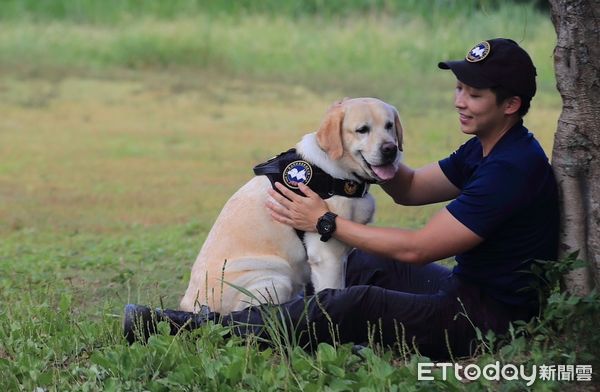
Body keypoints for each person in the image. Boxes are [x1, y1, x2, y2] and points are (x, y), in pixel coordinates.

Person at [123, 38, 559, 359]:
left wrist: (325, 221)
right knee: (356, 262)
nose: (459, 101)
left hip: (487, 319)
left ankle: (191, 328)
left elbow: (420, 246)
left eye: (475, 94)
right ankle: (294, 322)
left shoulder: (511, 168)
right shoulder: (485, 146)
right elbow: (409, 189)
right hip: (465, 288)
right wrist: (363, 154)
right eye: (459, 88)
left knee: (354, 301)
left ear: (511, 104)